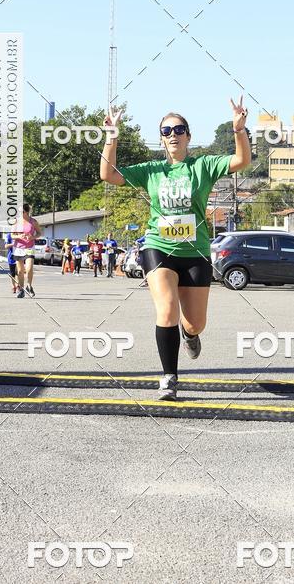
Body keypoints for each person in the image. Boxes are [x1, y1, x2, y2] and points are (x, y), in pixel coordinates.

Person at [100, 98, 251, 400]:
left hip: (195, 251)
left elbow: (241, 161)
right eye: (166, 131)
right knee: (167, 308)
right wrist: (111, 137)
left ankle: (189, 334)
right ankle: (169, 377)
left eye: (179, 129)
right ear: (161, 138)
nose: (173, 135)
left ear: (188, 136)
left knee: (196, 322)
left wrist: (238, 130)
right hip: (158, 247)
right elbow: (109, 174)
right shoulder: (151, 170)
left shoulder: (203, 166)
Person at [11, 204, 41, 298]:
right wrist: (19, 236)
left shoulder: (33, 222)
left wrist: (33, 237)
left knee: (29, 268)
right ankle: (21, 290)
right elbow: (12, 235)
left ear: (26, 212)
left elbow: (39, 233)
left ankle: (29, 286)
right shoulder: (16, 222)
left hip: (29, 247)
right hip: (18, 248)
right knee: (20, 271)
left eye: (22, 212)